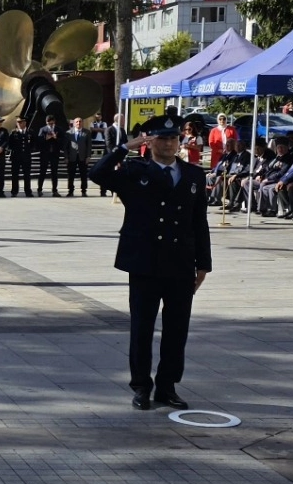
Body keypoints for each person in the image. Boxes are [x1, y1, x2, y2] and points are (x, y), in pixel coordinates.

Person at [89, 114, 210, 411]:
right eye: (161, 138)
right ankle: (142, 386)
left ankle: (167, 386)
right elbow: (97, 174)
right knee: (142, 328)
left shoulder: (193, 175)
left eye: (173, 138)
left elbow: (199, 222)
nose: (168, 144)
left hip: (181, 261)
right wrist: (123, 148)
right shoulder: (134, 171)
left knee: (176, 328)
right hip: (145, 261)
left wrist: (203, 264)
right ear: (150, 140)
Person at [64, 116, 92, 196]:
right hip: (71, 157)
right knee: (71, 175)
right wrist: (66, 157)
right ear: (73, 123)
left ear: (82, 123)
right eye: (77, 122)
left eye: (80, 122)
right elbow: (65, 147)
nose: (78, 123)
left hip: (82, 157)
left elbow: (89, 145)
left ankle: (83, 191)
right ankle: (70, 191)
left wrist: (88, 156)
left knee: (83, 175)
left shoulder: (87, 132)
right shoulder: (69, 133)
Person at [7, 117, 34, 197]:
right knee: (15, 175)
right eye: (17, 122)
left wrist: (29, 149)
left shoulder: (30, 132)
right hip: (16, 157)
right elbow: (10, 144)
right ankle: (14, 191)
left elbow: (33, 143)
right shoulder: (13, 133)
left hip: (26, 157)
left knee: (27, 175)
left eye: (20, 122)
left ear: (24, 123)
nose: (18, 124)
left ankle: (28, 191)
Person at [37, 114, 63, 196]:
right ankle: (39, 189)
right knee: (42, 172)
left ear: (54, 122)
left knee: (54, 172)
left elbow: (63, 141)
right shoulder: (42, 129)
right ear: (46, 122)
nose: (50, 125)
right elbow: (39, 141)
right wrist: (45, 138)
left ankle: (55, 190)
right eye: (49, 123)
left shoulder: (58, 129)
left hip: (54, 153)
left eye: (52, 123)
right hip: (45, 153)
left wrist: (56, 138)